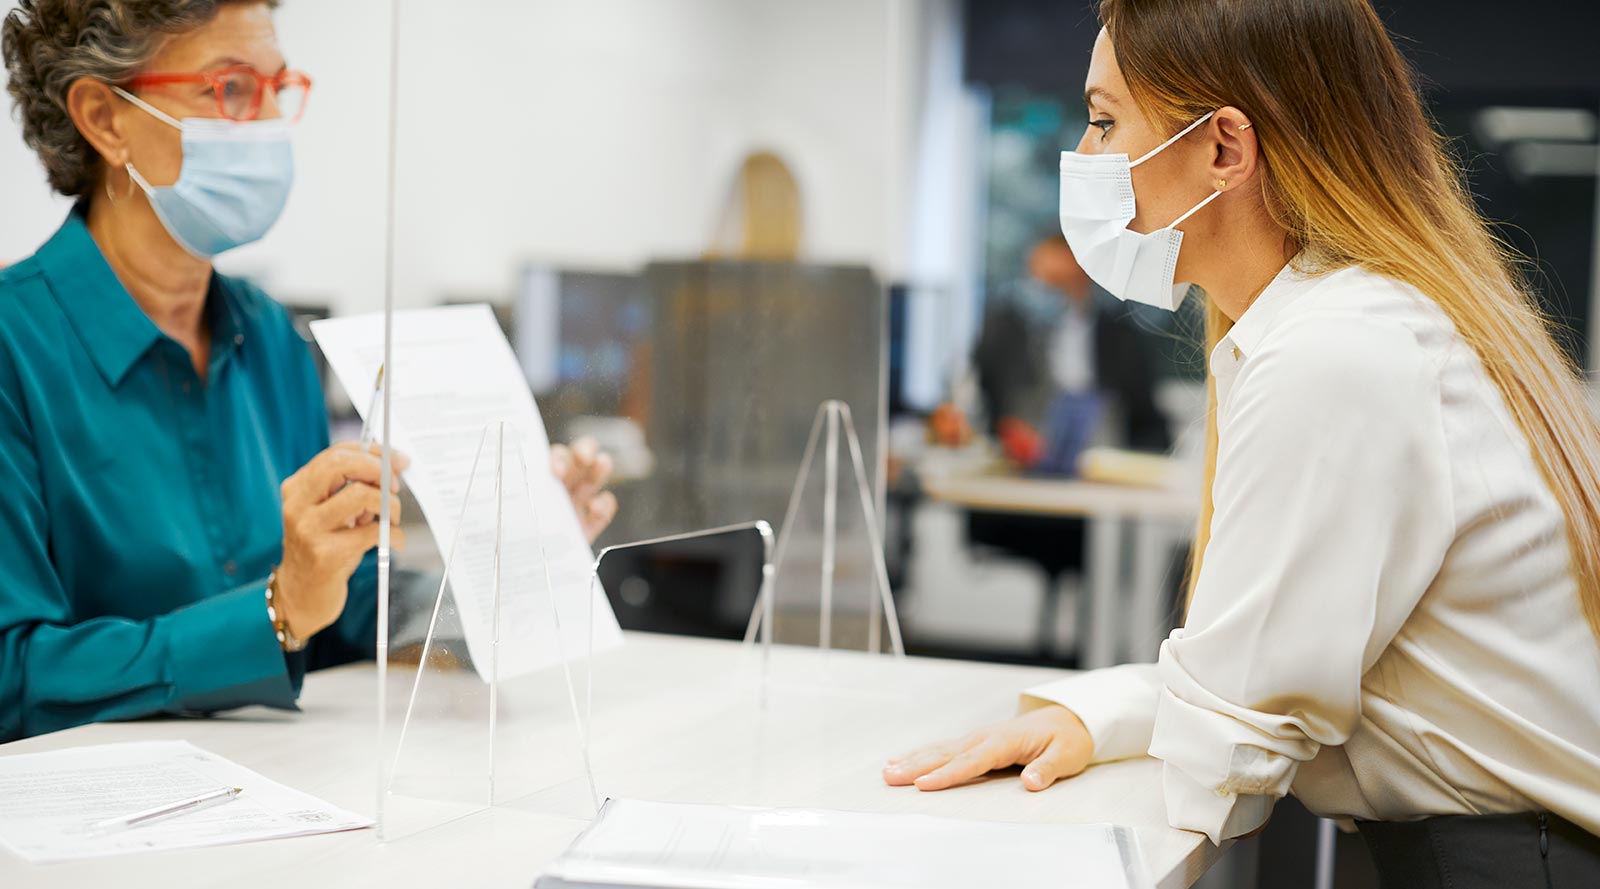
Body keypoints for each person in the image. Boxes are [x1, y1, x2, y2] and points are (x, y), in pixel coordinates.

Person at [885, 1, 1600, 884]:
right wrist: (1092, 719)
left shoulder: (1336, 347)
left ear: (1224, 146)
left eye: (1106, 120)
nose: (1086, 154)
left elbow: (1231, 741)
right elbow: (1246, 667)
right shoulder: (1347, 320)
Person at [0, 0, 616, 743]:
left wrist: (517, 563)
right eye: (229, 90)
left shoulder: (271, 339)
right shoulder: (16, 349)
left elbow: (343, 603)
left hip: (283, 800)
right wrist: (276, 610)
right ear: (104, 116)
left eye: (276, 89)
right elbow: (14, 674)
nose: (265, 127)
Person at [965, 233, 1171, 658]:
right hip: (1026, 493)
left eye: (1057, 282)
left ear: (1085, 280)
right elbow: (981, 407)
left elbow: (1149, 424)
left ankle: (1099, 656)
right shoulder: (1005, 330)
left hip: (1101, 495)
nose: (1044, 293)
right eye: (1037, 280)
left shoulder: (1119, 337)